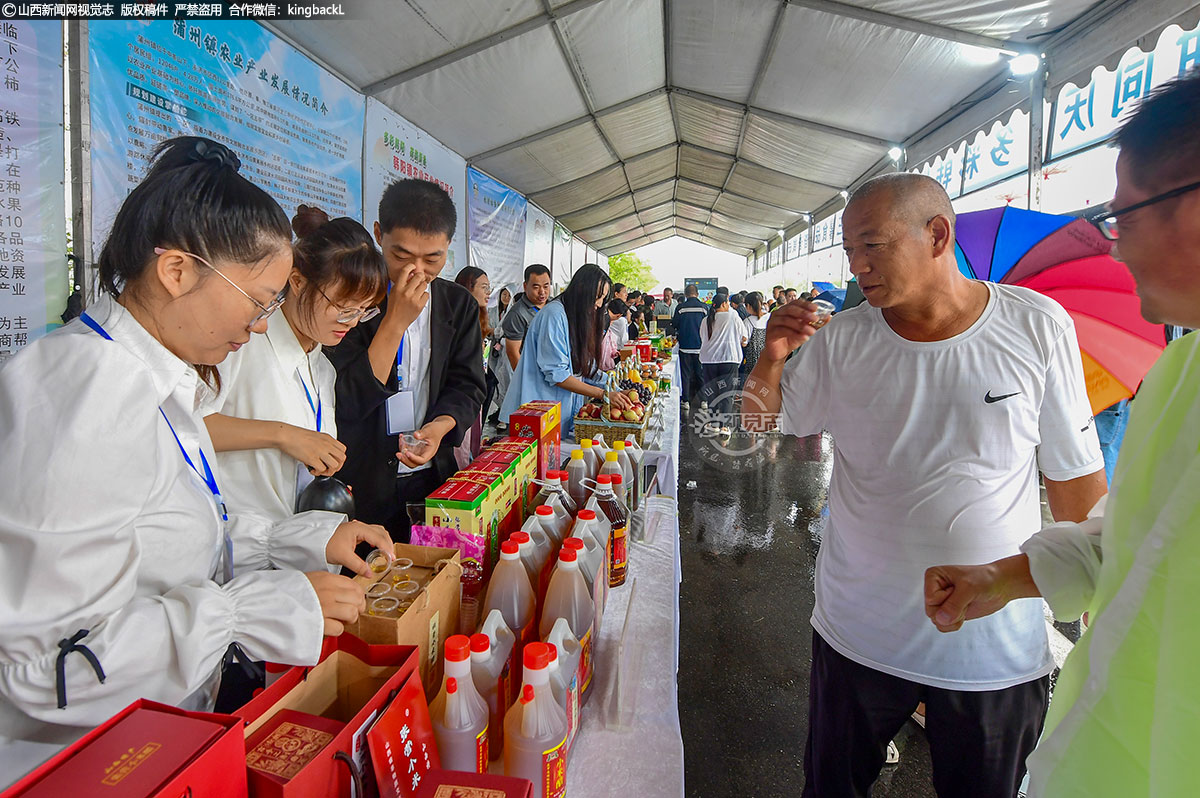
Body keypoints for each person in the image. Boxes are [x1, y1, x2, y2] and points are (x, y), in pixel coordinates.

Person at [0, 137, 390, 774]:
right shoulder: (89, 397)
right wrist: (245, 612)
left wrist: (305, 542)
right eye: (259, 300)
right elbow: (47, 670)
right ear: (177, 271)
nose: (263, 325)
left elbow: (177, 536)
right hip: (76, 765)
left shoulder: (160, 376)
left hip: (152, 740)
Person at [743, 172, 1106, 798]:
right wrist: (772, 357)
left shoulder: (1036, 326)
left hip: (990, 645)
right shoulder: (844, 340)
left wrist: (1098, 614)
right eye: (850, 251)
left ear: (937, 234)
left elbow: (1074, 480)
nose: (857, 265)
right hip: (857, 633)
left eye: (872, 245)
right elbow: (761, 426)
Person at [923, 70, 1200, 797]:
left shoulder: (1039, 328)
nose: (1117, 247)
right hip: (1109, 748)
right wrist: (1005, 577)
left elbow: (1082, 481)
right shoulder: (1182, 369)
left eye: (1124, 219)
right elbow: (1135, 539)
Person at [203, 206, 389, 522]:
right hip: (237, 545)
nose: (353, 322)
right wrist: (283, 435)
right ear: (298, 282)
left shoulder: (322, 369)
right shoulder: (241, 343)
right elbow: (188, 425)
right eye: (343, 308)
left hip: (299, 543)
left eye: (364, 311)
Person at [327, 178, 485, 541]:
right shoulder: (351, 300)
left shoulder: (458, 305)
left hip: (433, 473)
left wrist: (439, 427)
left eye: (433, 259)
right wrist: (395, 321)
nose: (416, 271)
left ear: (449, 247)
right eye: (401, 256)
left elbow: (468, 383)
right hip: (360, 477)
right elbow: (346, 399)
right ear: (379, 234)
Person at [500, 264, 632, 437]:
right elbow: (558, 375)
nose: (599, 305)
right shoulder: (554, 315)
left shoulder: (574, 315)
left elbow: (582, 365)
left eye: (603, 299)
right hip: (535, 413)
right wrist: (604, 394)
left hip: (554, 412)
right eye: (597, 297)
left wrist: (615, 386)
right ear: (581, 291)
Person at [452, 266, 492, 466]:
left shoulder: (480, 317)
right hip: (461, 396)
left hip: (475, 391)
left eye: (489, 287)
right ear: (468, 287)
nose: (488, 293)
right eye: (484, 287)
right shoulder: (456, 319)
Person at [698, 290, 746, 433]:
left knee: (712, 390)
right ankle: (724, 426)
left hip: (709, 359)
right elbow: (744, 337)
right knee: (727, 391)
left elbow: (702, 338)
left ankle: (713, 424)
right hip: (729, 358)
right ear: (725, 304)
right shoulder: (733, 316)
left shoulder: (706, 320)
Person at [501, 264, 552, 372]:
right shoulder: (517, 314)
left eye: (546, 286)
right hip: (532, 371)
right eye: (536, 287)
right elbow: (513, 353)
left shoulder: (554, 305)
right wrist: (526, 380)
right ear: (525, 286)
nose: (542, 292)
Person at [483, 283, 515, 425]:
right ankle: (500, 411)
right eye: (503, 294)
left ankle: (505, 414)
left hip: (506, 351)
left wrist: (496, 333)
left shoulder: (513, 312)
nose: (506, 297)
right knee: (493, 381)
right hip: (492, 351)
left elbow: (509, 332)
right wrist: (492, 332)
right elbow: (486, 327)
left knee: (506, 382)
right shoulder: (492, 311)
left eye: (508, 295)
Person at [673, 284, 708, 406]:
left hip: (685, 346)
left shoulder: (680, 308)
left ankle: (686, 401)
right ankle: (704, 400)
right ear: (697, 294)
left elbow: (675, 324)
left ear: (686, 294)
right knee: (701, 374)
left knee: (685, 374)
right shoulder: (704, 307)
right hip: (700, 346)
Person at [742, 291, 769, 374]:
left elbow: (744, 343)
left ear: (748, 306)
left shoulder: (747, 321)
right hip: (768, 356)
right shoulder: (769, 317)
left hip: (753, 360)